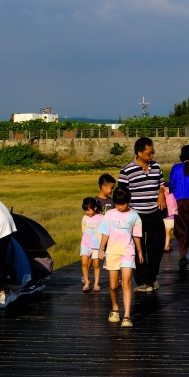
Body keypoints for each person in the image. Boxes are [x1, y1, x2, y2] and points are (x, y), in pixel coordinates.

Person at [118, 137, 166, 292]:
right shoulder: (126, 171)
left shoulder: (156, 166)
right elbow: (121, 194)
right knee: (138, 249)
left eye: (153, 152)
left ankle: (152, 277)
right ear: (139, 153)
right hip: (136, 215)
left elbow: (162, 184)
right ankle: (143, 282)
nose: (152, 155)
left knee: (157, 247)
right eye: (149, 153)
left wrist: (161, 194)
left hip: (154, 212)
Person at [97, 187, 143, 328]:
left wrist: (140, 251)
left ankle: (127, 315)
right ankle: (115, 308)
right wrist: (101, 248)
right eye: (117, 204)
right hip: (112, 252)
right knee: (113, 286)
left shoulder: (134, 215)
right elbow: (105, 233)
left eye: (122, 204)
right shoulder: (109, 214)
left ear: (129, 201)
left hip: (128, 251)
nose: (120, 207)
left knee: (126, 283)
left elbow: (136, 235)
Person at [80, 197, 103, 293]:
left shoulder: (101, 218)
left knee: (96, 264)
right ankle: (86, 282)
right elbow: (83, 231)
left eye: (88, 210)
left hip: (97, 244)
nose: (87, 212)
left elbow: (105, 231)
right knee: (84, 263)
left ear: (95, 208)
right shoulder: (84, 218)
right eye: (85, 210)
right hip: (85, 243)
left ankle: (96, 284)